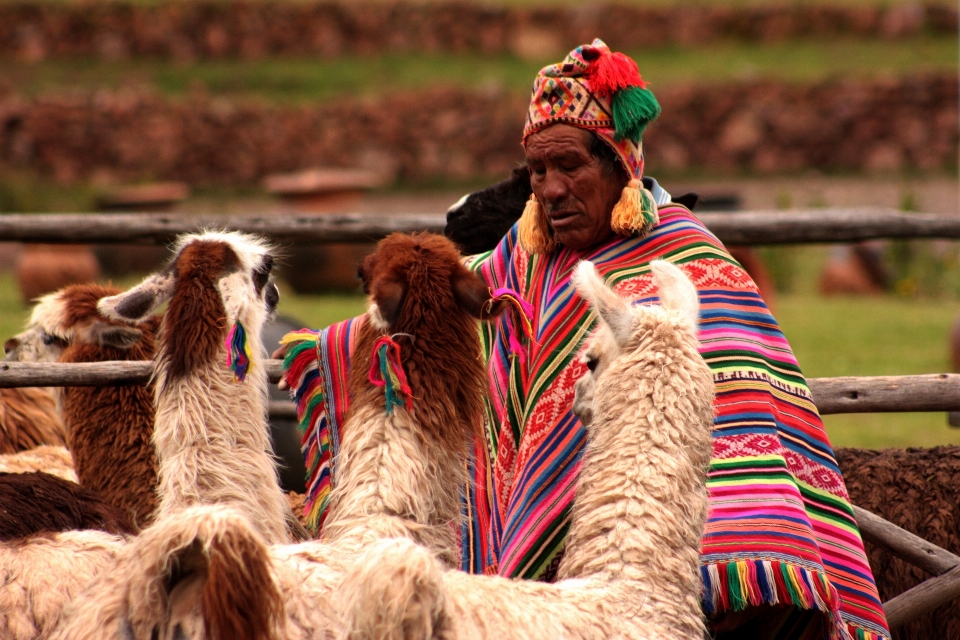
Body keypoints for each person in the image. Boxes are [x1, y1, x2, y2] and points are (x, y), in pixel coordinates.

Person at [280, 40, 889, 639]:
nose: (549, 188)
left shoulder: (693, 269)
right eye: (539, 170)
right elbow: (448, 300)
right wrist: (332, 346)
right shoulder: (527, 257)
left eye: (570, 165)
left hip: (676, 583)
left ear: (620, 164)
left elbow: (737, 438)